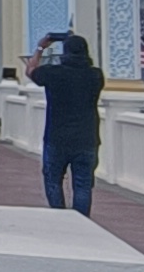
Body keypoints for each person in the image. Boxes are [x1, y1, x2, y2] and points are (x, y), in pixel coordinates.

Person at [29, 29, 104, 215]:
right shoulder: (95, 75)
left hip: (57, 137)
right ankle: (81, 220)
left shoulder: (53, 73)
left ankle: (59, 216)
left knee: (53, 179)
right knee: (82, 184)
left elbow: (30, 71)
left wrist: (41, 48)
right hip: (87, 138)